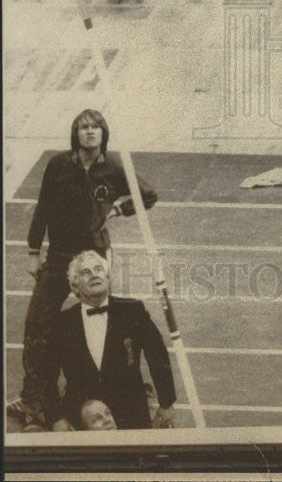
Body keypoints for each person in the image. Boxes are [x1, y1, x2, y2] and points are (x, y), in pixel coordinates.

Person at [7, 109, 158, 431]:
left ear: (104, 133)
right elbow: (43, 207)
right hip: (59, 257)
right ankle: (33, 400)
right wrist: (34, 251)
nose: (89, 132)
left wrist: (120, 208)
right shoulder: (58, 164)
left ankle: (119, 392)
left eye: (95, 127)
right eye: (83, 127)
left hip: (93, 256)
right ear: (75, 134)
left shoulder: (114, 167)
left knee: (105, 327)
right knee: (37, 326)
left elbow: (149, 195)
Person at [45, 251, 176, 430]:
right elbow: (47, 373)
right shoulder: (62, 323)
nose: (94, 275)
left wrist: (167, 403)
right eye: (86, 272)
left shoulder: (132, 311)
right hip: (82, 417)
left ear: (107, 277)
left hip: (131, 413)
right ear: (75, 287)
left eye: (98, 269)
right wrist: (56, 418)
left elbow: (158, 355)